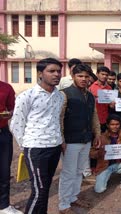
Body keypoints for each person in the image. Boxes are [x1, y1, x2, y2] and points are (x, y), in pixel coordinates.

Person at [10, 58, 64, 214]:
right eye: (51, 71)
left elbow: (55, 120)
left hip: (54, 147)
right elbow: (17, 124)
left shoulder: (59, 96)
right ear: (40, 73)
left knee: (45, 188)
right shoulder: (27, 96)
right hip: (36, 149)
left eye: (58, 71)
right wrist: (26, 146)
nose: (56, 74)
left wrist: (60, 141)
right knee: (39, 191)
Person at [59, 64, 102, 213]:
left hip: (86, 139)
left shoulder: (89, 95)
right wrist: (61, 139)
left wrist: (97, 133)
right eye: (80, 76)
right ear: (73, 77)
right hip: (70, 140)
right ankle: (63, 205)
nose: (84, 79)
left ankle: (73, 197)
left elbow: (94, 116)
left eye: (86, 76)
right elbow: (59, 118)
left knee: (79, 171)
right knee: (68, 172)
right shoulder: (64, 94)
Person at [91, 114, 121, 195]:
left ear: (120, 125)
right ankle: (104, 177)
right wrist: (99, 152)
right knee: (99, 190)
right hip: (104, 166)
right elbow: (91, 154)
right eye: (112, 124)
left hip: (119, 164)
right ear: (107, 125)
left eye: (117, 124)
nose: (115, 127)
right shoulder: (101, 137)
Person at [0, 82, 22, 214]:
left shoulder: (6, 88)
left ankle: (3, 206)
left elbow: (12, 109)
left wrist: (8, 114)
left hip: (2, 133)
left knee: (3, 172)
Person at [89, 66, 111, 133]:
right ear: (97, 74)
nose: (104, 76)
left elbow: (110, 103)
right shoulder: (91, 87)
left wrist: (112, 104)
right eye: (102, 74)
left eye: (106, 75)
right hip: (94, 119)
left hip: (105, 119)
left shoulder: (109, 88)